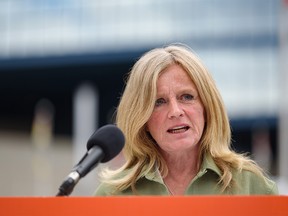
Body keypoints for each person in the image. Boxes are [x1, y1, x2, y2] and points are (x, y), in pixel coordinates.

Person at [95, 43, 278, 195]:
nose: (175, 111)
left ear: (207, 107)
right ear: (143, 120)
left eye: (187, 97)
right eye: (159, 102)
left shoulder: (251, 186)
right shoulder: (111, 195)